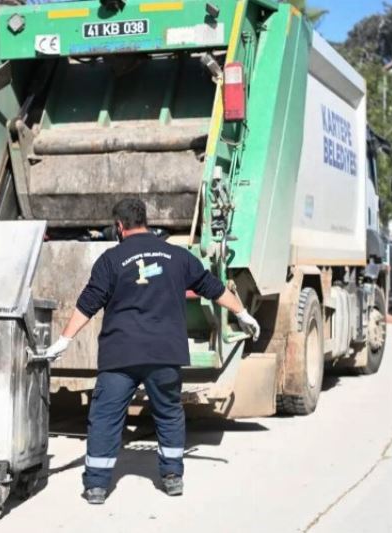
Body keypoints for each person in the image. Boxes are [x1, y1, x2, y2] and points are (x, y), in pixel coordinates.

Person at [44, 198, 260, 504]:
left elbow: (88, 302)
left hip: (121, 354)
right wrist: (242, 313)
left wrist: (64, 340)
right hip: (164, 353)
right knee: (169, 414)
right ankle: (172, 477)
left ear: (119, 226)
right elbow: (212, 287)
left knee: (105, 417)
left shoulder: (111, 259)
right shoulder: (177, 256)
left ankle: (96, 486)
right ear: (146, 221)